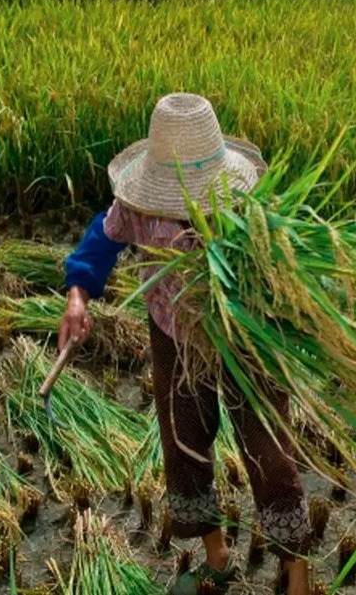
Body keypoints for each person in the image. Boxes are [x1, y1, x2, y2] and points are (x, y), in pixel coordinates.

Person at [59, 93, 312, 595]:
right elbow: (102, 240)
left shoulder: (246, 207)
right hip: (173, 334)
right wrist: (77, 296)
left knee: (268, 450)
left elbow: (285, 267)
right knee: (183, 442)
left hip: (244, 336)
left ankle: (297, 572)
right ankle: (216, 555)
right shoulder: (138, 206)